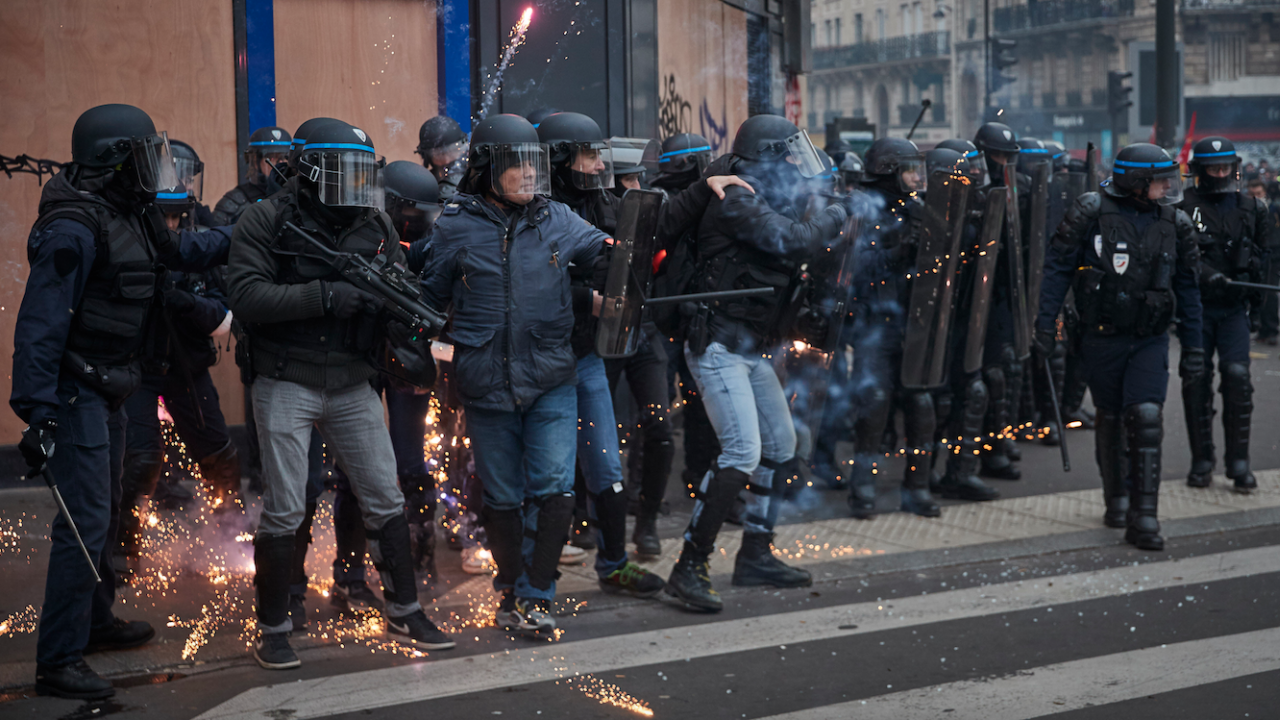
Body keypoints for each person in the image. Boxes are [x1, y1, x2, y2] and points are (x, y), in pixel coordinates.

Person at [12, 104, 229, 699]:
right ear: (115, 160)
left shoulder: (128, 210)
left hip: (108, 386)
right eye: (144, 153)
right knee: (83, 524)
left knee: (104, 510)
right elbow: (39, 323)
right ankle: (58, 659)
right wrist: (37, 410)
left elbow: (180, 255)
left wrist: (249, 232)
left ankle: (96, 622)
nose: (155, 165)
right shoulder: (74, 228)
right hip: (74, 391)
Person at [227, 119, 454, 669]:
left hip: (352, 379)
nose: (356, 183)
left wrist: (400, 315)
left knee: (385, 494)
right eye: (344, 172)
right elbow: (247, 295)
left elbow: (399, 283)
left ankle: (404, 607)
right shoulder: (265, 218)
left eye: (362, 172)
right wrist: (326, 296)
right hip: (286, 379)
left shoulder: (372, 221)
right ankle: (274, 625)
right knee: (285, 506)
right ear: (310, 170)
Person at [419, 113, 610, 635]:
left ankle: (536, 595)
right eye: (516, 164)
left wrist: (629, 245)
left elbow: (607, 256)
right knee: (502, 496)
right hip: (484, 381)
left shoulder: (561, 219)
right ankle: (509, 588)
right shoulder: (454, 227)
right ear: (485, 167)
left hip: (551, 378)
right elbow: (429, 301)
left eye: (535, 163)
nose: (530, 174)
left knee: (554, 489)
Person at [667, 114, 846, 612]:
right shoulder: (736, 197)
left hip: (750, 347)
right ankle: (688, 565)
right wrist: (834, 210)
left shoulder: (766, 194)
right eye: (788, 156)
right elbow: (794, 240)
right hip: (718, 344)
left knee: (780, 445)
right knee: (742, 452)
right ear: (768, 158)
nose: (795, 166)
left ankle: (755, 553)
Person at [1035, 143, 1204, 551]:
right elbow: (1057, 268)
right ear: (1136, 181)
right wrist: (1044, 324)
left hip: (1150, 336)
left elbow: (1188, 287)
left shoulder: (1175, 222)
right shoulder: (1090, 212)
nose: (1168, 186)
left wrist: (1195, 346)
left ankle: (1144, 516)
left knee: (1146, 416)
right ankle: (1117, 498)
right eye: (1161, 180)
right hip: (1100, 334)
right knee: (1110, 417)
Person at [117, 145, 243, 572]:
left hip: (187, 365)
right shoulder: (126, 235)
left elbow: (227, 317)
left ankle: (232, 536)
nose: (170, 227)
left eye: (176, 217)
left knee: (219, 454)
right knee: (141, 461)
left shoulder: (205, 239)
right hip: (137, 369)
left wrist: (187, 304)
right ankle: (122, 551)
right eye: (163, 216)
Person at [835, 137, 944, 519]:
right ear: (888, 171)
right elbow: (844, 261)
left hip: (912, 323)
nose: (915, 177)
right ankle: (862, 485)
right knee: (874, 404)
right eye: (908, 169)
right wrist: (890, 250)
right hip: (873, 324)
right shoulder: (857, 207)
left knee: (921, 404)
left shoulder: (916, 208)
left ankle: (917, 487)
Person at [1179, 137, 1268, 494]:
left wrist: (1258, 313)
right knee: (1196, 379)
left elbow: (1264, 261)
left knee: (1236, 377)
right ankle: (1202, 460)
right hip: (1197, 308)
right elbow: (1178, 257)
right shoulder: (1182, 207)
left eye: (1225, 168)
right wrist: (1204, 274)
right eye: (1213, 168)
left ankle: (1238, 463)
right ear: (1200, 171)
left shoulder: (1253, 208)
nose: (1220, 174)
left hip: (1233, 309)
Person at [971, 122, 1027, 482]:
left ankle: (995, 449)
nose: (1003, 162)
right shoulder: (972, 191)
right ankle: (969, 461)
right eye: (997, 155)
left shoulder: (1021, 189)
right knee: (976, 384)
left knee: (1003, 373)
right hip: (972, 300)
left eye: (1008, 156)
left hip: (1005, 296)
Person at [210, 126, 292, 226]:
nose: (280, 163)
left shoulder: (295, 194)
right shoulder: (235, 201)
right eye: (272, 158)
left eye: (284, 157)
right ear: (255, 161)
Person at [415, 115, 468, 201]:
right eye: (439, 154)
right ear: (427, 157)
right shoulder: (424, 187)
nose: (447, 159)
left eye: (452, 151)